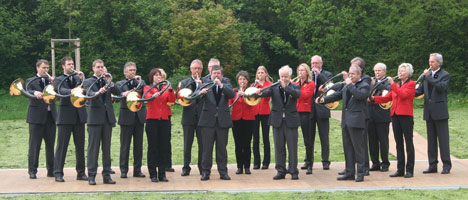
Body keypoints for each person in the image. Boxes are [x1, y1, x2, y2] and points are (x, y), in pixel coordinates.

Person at [317, 65, 370, 182]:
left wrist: (349, 84)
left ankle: (360, 173)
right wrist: (324, 100)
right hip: (346, 120)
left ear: (359, 75)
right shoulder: (347, 86)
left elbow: (359, 95)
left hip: (356, 121)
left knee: (358, 148)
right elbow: (338, 95)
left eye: (353, 74)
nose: (350, 76)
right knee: (348, 148)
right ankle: (349, 171)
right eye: (349, 74)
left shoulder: (364, 85)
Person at [371, 63, 416, 178]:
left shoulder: (411, 84)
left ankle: (409, 169)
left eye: (402, 71)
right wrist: (373, 99)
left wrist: (392, 84)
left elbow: (404, 95)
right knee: (399, 143)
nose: (399, 73)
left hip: (406, 116)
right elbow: (387, 98)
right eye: (399, 71)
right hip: (395, 115)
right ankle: (400, 169)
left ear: (408, 73)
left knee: (408, 143)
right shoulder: (398, 85)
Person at [258, 65, 301, 180]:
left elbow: (297, 95)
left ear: (290, 76)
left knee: (292, 148)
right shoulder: (275, 87)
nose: (283, 79)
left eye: (285, 76)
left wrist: (285, 87)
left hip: (290, 121)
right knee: (279, 147)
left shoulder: (295, 86)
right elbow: (266, 93)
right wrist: (259, 92)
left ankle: (293, 171)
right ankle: (280, 170)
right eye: (281, 76)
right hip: (277, 121)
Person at [83, 59, 120, 185]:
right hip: (94, 118)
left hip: (107, 118)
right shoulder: (88, 81)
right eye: (98, 67)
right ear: (93, 68)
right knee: (93, 148)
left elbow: (118, 93)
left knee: (107, 148)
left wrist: (110, 83)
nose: (100, 69)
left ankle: (107, 175)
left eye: (102, 67)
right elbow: (89, 94)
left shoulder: (107, 81)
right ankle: (92, 175)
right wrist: (98, 92)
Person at [416, 53, 451, 174]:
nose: (430, 64)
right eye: (429, 61)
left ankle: (446, 164)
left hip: (440, 112)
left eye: (432, 62)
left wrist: (429, 77)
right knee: (431, 141)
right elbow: (419, 91)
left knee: (443, 140)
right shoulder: (426, 77)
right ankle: (432, 165)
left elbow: (441, 87)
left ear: (439, 63)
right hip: (429, 112)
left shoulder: (444, 75)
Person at [53, 57, 87, 182]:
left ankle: (81, 173)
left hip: (79, 116)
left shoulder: (78, 78)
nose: (71, 66)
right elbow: (60, 91)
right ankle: (58, 173)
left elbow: (84, 91)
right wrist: (72, 90)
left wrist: (82, 80)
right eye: (69, 64)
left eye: (72, 64)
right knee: (62, 146)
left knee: (80, 146)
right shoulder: (58, 79)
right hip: (65, 117)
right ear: (63, 66)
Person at [198, 65, 235, 181]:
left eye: (218, 73)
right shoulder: (205, 84)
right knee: (207, 149)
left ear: (222, 75)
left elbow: (232, 95)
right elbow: (196, 98)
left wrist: (221, 85)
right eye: (214, 73)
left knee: (222, 149)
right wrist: (200, 92)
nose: (216, 75)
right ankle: (205, 172)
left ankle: (223, 172)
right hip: (208, 121)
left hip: (222, 122)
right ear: (210, 74)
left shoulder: (226, 85)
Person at [26, 59, 57, 179]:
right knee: (35, 145)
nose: (46, 70)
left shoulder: (51, 81)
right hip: (36, 118)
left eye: (47, 68)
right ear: (37, 68)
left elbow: (59, 93)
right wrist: (34, 92)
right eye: (44, 68)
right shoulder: (31, 80)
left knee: (50, 145)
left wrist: (55, 83)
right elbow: (27, 90)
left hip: (50, 117)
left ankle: (51, 170)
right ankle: (32, 171)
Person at [144, 68, 176, 182]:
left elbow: (171, 101)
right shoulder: (148, 88)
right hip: (152, 120)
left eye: (160, 75)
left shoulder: (165, 88)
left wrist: (171, 90)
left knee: (164, 146)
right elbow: (147, 97)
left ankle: (162, 174)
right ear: (152, 77)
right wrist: (154, 95)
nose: (158, 77)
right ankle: (153, 174)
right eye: (156, 75)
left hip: (164, 120)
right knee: (153, 147)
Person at [115, 62, 146, 179]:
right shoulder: (120, 83)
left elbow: (145, 92)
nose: (133, 72)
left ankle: (137, 169)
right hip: (126, 117)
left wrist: (139, 82)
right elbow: (119, 93)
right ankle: (124, 170)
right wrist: (125, 93)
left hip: (139, 117)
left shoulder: (141, 83)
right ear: (125, 72)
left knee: (138, 145)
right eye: (130, 70)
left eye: (134, 70)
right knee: (125, 145)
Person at [179, 59, 204, 176]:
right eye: (195, 68)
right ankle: (186, 167)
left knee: (202, 144)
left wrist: (200, 86)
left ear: (202, 70)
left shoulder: (206, 82)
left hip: (202, 117)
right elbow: (182, 98)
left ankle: (202, 167)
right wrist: (196, 87)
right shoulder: (184, 83)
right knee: (187, 143)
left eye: (199, 68)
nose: (197, 70)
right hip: (188, 116)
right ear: (191, 70)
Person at [229, 71, 255, 175]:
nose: (242, 81)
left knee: (247, 144)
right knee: (238, 144)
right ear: (238, 81)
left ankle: (247, 167)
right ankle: (239, 167)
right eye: (240, 79)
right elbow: (230, 103)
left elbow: (253, 102)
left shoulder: (251, 91)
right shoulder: (233, 91)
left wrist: (245, 95)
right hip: (236, 119)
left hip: (248, 119)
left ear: (247, 81)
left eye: (244, 79)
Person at [308, 55, 332, 171]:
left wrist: (319, 74)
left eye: (317, 63)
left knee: (324, 137)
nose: (314, 66)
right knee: (309, 137)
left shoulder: (327, 74)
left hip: (322, 109)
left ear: (321, 64)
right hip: (310, 110)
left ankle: (325, 161)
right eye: (313, 63)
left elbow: (329, 84)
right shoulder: (308, 75)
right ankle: (309, 161)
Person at [367, 63, 391, 172]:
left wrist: (377, 84)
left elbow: (389, 91)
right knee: (372, 140)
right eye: (375, 71)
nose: (377, 73)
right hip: (370, 115)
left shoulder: (387, 82)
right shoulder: (372, 82)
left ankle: (385, 162)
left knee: (383, 140)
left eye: (379, 71)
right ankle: (375, 162)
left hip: (382, 115)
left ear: (384, 72)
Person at [350, 57, 371, 176]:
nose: (352, 70)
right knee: (352, 144)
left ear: (361, 70)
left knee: (361, 143)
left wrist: (349, 83)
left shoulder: (366, 79)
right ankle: (351, 167)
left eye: (355, 67)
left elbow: (360, 94)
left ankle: (364, 167)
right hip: (351, 115)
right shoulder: (351, 80)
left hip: (362, 115)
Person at [294, 63, 315, 174]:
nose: (300, 72)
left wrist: (294, 90)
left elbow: (304, 95)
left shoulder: (311, 84)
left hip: (305, 113)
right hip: (295, 112)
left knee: (308, 139)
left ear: (307, 72)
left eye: (303, 70)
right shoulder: (296, 83)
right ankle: (305, 161)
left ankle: (310, 163)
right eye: (299, 70)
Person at [252, 66, 273, 170]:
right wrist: (256, 86)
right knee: (255, 138)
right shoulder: (253, 85)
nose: (260, 74)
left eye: (262, 73)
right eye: (259, 73)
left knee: (265, 138)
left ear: (266, 74)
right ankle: (256, 162)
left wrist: (260, 89)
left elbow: (267, 95)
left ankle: (266, 162)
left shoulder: (269, 85)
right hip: (255, 113)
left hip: (265, 113)